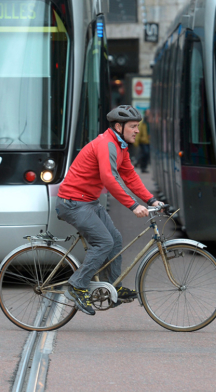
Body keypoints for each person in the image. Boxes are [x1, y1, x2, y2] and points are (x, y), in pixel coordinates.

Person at [56, 105, 163, 315]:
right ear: (118, 126)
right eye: (133, 126)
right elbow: (110, 178)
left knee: (115, 239)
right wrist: (133, 205)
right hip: (74, 202)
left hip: (88, 202)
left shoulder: (119, 146)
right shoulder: (106, 145)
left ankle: (112, 285)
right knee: (104, 242)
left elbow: (129, 176)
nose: (137, 131)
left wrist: (151, 200)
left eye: (137, 126)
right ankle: (77, 285)